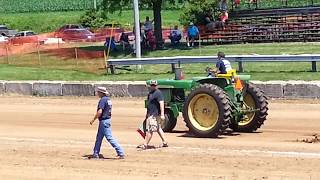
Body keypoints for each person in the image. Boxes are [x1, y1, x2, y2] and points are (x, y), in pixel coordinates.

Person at [90, 87, 125, 159]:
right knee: (99, 138)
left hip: (104, 121)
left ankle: (120, 152)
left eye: (98, 92)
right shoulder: (108, 100)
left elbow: (100, 112)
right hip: (106, 120)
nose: (97, 93)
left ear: (101, 93)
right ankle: (95, 153)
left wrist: (93, 119)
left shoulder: (102, 100)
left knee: (109, 138)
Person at [138, 80, 168, 150]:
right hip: (151, 114)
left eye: (154, 85)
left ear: (156, 86)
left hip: (154, 115)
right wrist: (147, 114)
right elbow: (149, 104)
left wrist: (162, 114)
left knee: (150, 130)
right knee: (158, 128)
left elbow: (161, 103)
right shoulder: (150, 93)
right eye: (152, 85)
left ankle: (145, 144)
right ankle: (165, 142)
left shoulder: (158, 93)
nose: (153, 86)